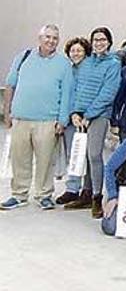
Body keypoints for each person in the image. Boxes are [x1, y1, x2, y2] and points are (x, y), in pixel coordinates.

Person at [1, 24, 73, 211]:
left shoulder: (63, 64)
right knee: (19, 159)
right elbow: (10, 85)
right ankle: (19, 194)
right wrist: (7, 112)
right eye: (47, 37)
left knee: (45, 161)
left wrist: (62, 120)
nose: (51, 41)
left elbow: (67, 93)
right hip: (21, 118)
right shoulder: (23, 57)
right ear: (39, 38)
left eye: (55, 38)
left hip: (48, 121)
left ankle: (44, 195)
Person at [68, 27, 122, 218]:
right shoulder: (86, 62)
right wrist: (75, 112)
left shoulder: (113, 64)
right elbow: (78, 89)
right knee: (83, 155)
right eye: (95, 39)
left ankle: (98, 197)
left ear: (109, 42)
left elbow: (108, 93)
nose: (99, 43)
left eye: (102, 39)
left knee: (94, 154)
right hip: (81, 114)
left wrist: (89, 115)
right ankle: (86, 192)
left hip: (99, 115)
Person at [54, 37, 91, 205]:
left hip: (85, 118)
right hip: (70, 119)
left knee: (89, 155)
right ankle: (72, 189)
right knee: (73, 154)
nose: (76, 54)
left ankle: (88, 190)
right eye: (73, 51)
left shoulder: (89, 69)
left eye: (79, 50)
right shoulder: (67, 70)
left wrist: (82, 114)